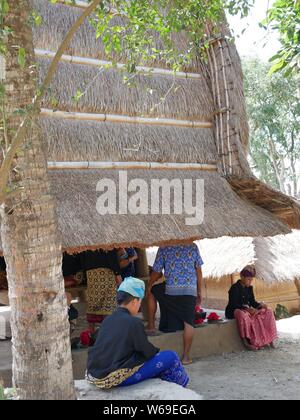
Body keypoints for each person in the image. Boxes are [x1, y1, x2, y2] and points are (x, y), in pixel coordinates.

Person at [86, 277, 189, 389]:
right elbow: (147, 352)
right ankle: (182, 388)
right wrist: (155, 351)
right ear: (134, 301)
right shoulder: (133, 322)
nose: (139, 306)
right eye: (140, 301)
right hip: (113, 378)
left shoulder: (108, 319)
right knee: (170, 356)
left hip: (95, 375)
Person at [147, 244, 204, 365]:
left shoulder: (164, 247)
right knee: (188, 322)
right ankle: (186, 357)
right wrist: (199, 291)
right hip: (190, 290)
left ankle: (151, 326)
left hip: (171, 291)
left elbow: (156, 271)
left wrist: (149, 285)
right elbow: (198, 271)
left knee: (152, 292)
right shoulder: (193, 246)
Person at [225, 265, 277, 351]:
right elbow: (233, 304)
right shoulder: (234, 288)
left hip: (247, 310)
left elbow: (253, 302)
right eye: (248, 279)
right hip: (234, 311)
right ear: (242, 277)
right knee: (243, 314)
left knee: (267, 311)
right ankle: (246, 342)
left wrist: (260, 305)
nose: (250, 281)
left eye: (251, 279)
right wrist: (247, 309)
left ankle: (269, 339)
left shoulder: (250, 288)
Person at [81, 250, 122, 332]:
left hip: (91, 272)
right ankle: (108, 331)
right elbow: (110, 253)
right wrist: (117, 272)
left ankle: (91, 331)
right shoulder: (106, 238)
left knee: (93, 301)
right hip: (105, 271)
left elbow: (82, 255)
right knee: (109, 302)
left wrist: (85, 271)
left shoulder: (86, 238)